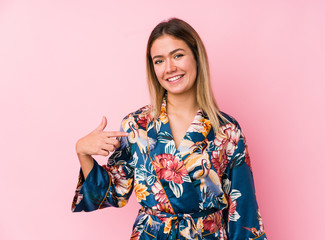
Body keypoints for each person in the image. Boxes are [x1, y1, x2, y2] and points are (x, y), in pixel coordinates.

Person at [72, 18, 267, 240]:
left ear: (196, 57)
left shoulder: (227, 131)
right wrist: (82, 152)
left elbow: (243, 211)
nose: (170, 68)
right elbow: (113, 193)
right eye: (159, 61)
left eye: (178, 55)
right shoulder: (136, 125)